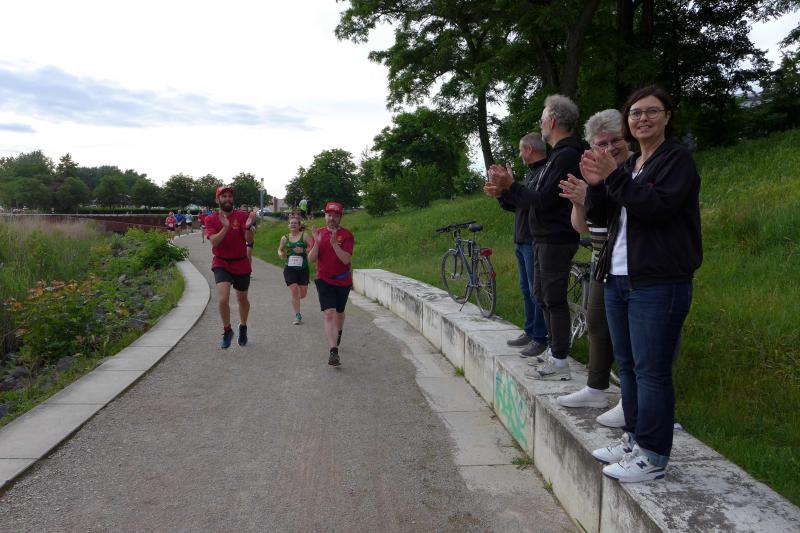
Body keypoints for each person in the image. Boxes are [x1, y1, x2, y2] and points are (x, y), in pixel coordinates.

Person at [582, 86, 702, 483]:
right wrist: (596, 185)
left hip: (658, 282)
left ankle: (652, 455)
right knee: (629, 366)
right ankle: (633, 438)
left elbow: (656, 208)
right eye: (635, 113)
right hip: (618, 278)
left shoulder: (676, 160)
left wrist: (613, 176)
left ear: (668, 116)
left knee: (652, 370)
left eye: (652, 111)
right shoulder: (632, 165)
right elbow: (603, 217)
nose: (642, 118)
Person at [485, 94, 583, 381]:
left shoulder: (566, 155)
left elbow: (542, 201)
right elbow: (531, 200)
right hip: (543, 237)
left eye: (542, 119)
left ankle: (559, 357)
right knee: (542, 295)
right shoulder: (558, 156)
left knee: (553, 298)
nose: (540, 124)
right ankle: (554, 351)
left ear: (552, 121)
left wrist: (510, 185)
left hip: (555, 237)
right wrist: (506, 190)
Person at [556, 109, 630, 428]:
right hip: (602, 259)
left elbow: (628, 215)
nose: (610, 148)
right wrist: (578, 201)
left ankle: (630, 400)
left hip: (629, 263)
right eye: (602, 143)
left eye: (616, 140)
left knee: (629, 337)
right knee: (598, 325)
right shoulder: (595, 174)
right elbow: (582, 227)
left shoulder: (633, 170)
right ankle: (596, 388)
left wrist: (592, 193)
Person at [488, 133, 549, 358]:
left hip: (533, 240)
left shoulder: (544, 172)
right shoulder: (532, 174)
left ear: (530, 150)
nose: (520, 154)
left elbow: (536, 202)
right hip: (522, 241)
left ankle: (540, 337)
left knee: (536, 292)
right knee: (526, 290)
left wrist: (509, 186)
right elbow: (518, 205)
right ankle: (530, 330)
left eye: (521, 150)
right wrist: (501, 194)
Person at [204, 186, 258, 349]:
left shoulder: (242, 216)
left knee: (242, 299)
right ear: (217, 200)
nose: (227, 199)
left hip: (241, 262)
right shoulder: (211, 219)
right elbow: (214, 242)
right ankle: (227, 330)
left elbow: (248, 239)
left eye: (230, 196)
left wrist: (248, 227)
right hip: (222, 262)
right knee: (223, 298)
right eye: (224, 196)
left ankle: (243, 326)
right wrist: (226, 227)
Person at [308, 201, 354, 367]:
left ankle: (338, 331)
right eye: (329, 215)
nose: (332, 218)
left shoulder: (347, 235)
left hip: (343, 280)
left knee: (339, 312)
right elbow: (311, 259)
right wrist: (317, 243)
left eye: (335, 215)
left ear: (340, 217)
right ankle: (333, 351)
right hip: (324, 279)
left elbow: (346, 259)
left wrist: (334, 243)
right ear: (325, 216)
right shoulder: (319, 234)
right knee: (329, 313)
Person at [278, 216, 312, 325]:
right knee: (294, 291)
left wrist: (303, 250)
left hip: (303, 269)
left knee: (303, 294)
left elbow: (312, 247)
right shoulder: (284, 238)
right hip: (289, 268)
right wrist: (281, 254)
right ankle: (298, 315)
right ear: (288, 225)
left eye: (295, 223)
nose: (293, 225)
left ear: (299, 225)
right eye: (291, 223)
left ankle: (296, 299)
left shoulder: (304, 236)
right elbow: (280, 249)